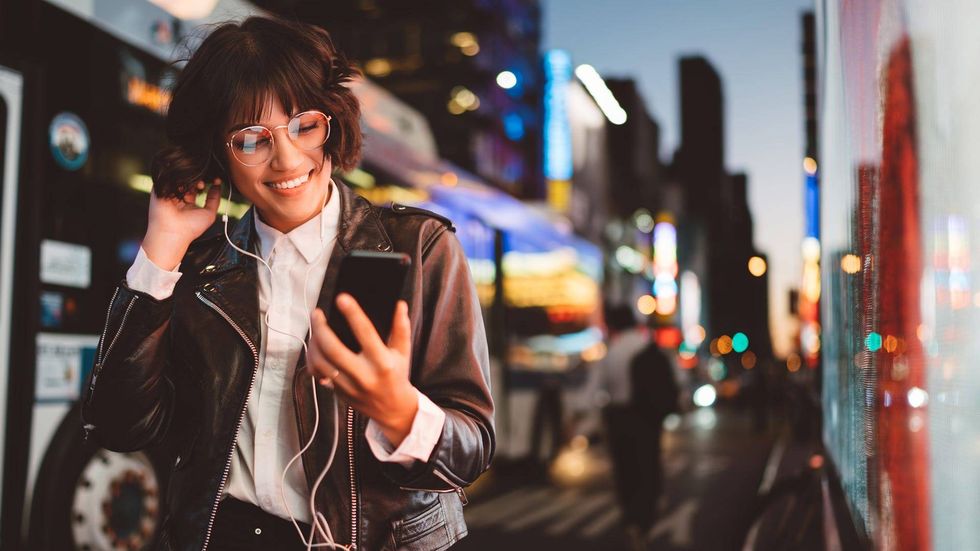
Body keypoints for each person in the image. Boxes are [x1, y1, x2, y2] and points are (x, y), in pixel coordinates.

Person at [81, 16, 494, 551]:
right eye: (252, 138)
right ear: (218, 152)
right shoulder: (204, 263)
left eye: (304, 124)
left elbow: (473, 448)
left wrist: (399, 410)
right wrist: (162, 246)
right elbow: (119, 426)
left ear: (332, 122)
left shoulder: (419, 247)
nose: (288, 158)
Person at [599, 305, 679, 551]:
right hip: (646, 419)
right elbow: (675, 380)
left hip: (617, 418)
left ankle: (631, 521)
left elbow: (597, 389)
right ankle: (643, 524)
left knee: (625, 472)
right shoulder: (647, 345)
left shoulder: (612, 352)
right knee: (647, 468)